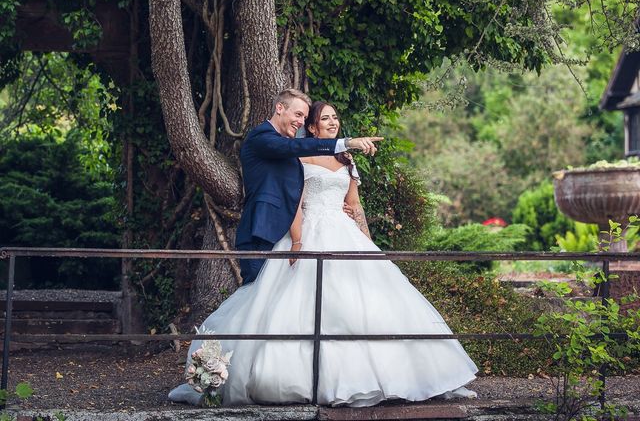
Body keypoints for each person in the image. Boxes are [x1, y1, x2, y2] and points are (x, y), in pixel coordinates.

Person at [169, 101, 478, 407]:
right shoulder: (299, 156)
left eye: (335, 117)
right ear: (312, 128)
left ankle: (398, 376)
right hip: (310, 231)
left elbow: (354, 206)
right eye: (323, 118)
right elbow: (294, 203)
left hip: (344, 233)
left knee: (367, 304)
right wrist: (299, 242)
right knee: (298, 304)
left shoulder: (346, 161)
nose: (332, 122)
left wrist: (370, 246)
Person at [235, 88, 382, 284]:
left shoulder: (288, 147)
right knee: (256, 296)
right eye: (298, 114)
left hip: (284, 232)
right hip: (261, 230)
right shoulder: (262, 137)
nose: (301, 122)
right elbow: (296, 147)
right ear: (280, 108)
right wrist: (347, 142)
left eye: (304, 117)